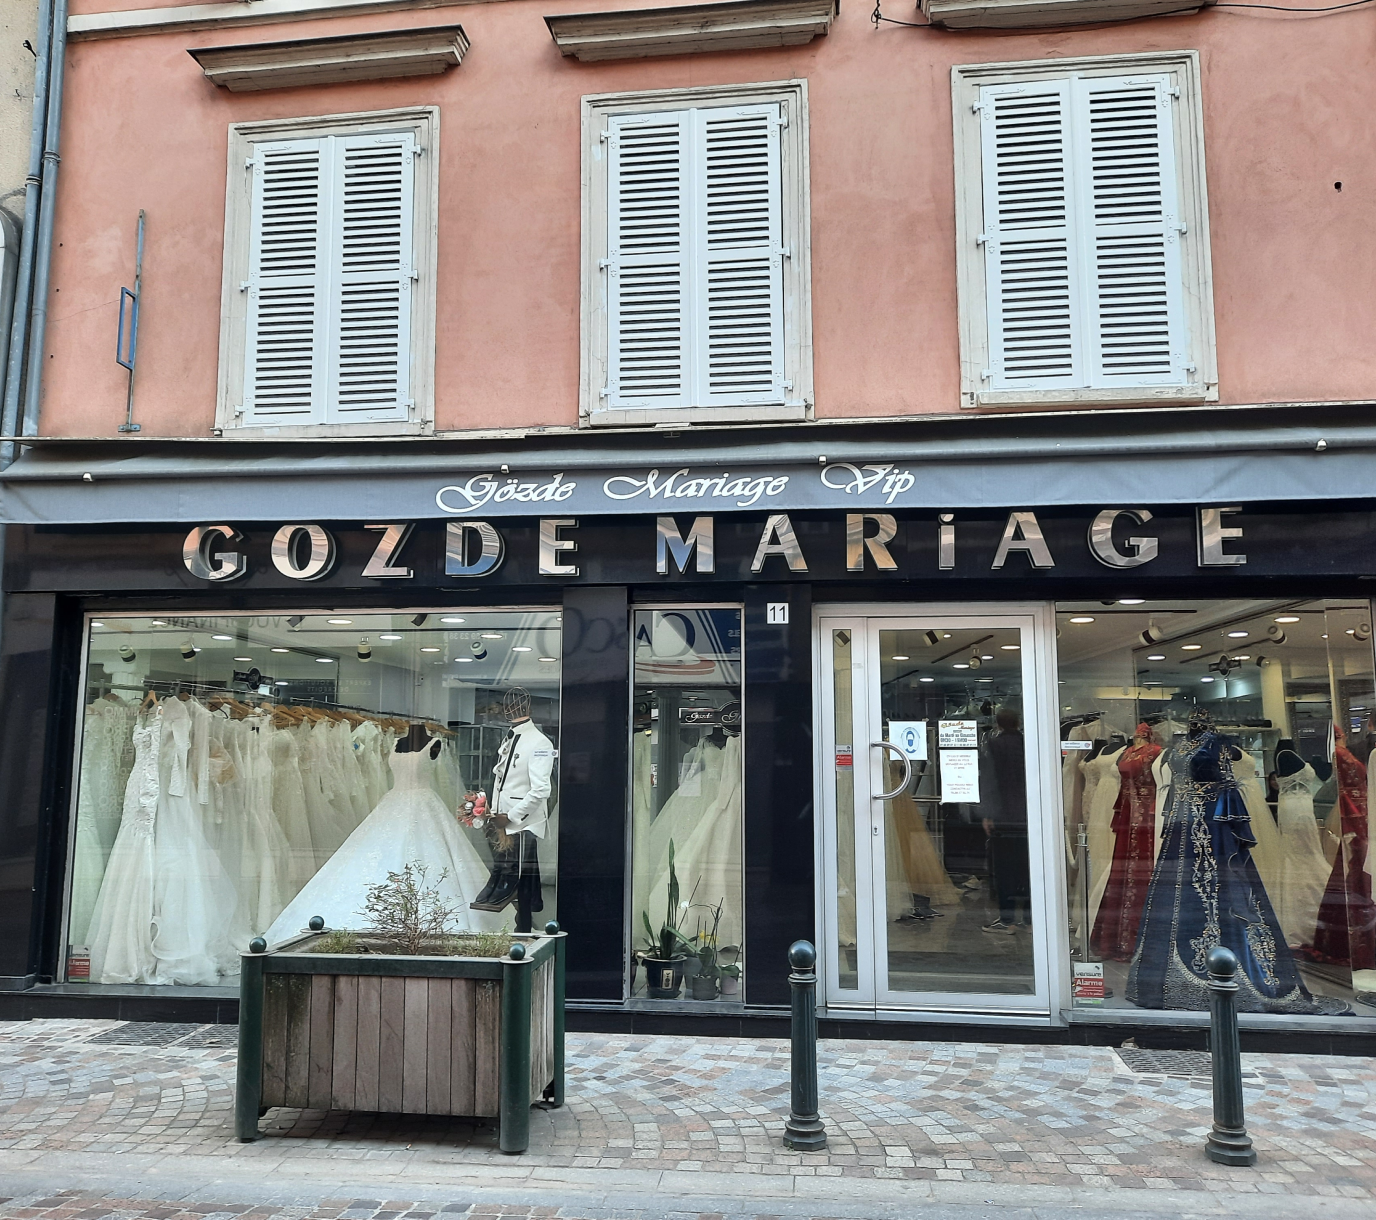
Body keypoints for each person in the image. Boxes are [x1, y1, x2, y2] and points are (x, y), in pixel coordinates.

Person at [980, 709, 1030, 935]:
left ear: (998, 724)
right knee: (1028, 868)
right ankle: (1030, 920)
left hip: (1003, 816)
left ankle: (1007, 918)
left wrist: (988, 814)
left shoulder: (994, 746)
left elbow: (990, 781)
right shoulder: (1029, 744)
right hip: (1029, 814)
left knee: (1004, 869)